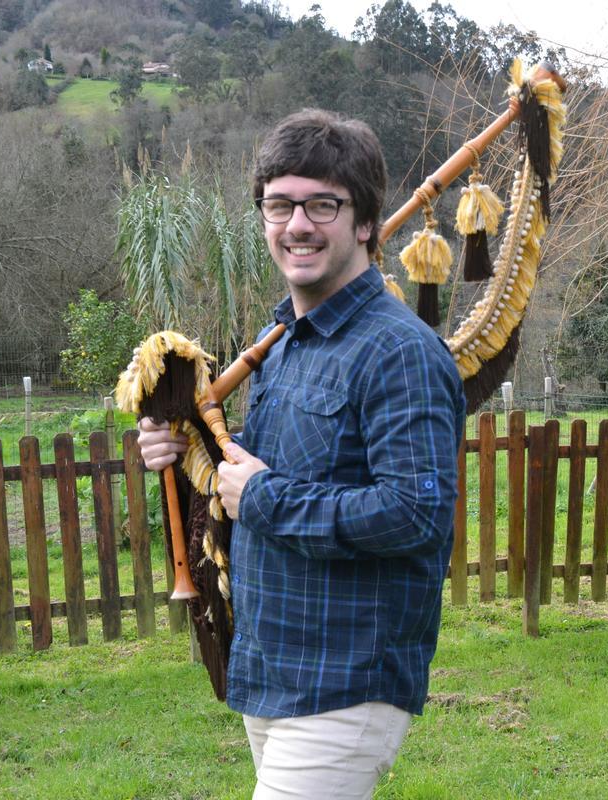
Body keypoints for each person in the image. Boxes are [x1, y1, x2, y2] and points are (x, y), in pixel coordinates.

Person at [137, 109, 465, 799]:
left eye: (322, 204)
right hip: (272, 667)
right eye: (279, 204)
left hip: (348, 679)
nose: (297, 225)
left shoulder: (400, 353)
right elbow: (256, 467)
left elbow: (416, 513)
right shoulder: (283, 341)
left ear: (366, 222)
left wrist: (265, 498)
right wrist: (184, 446)